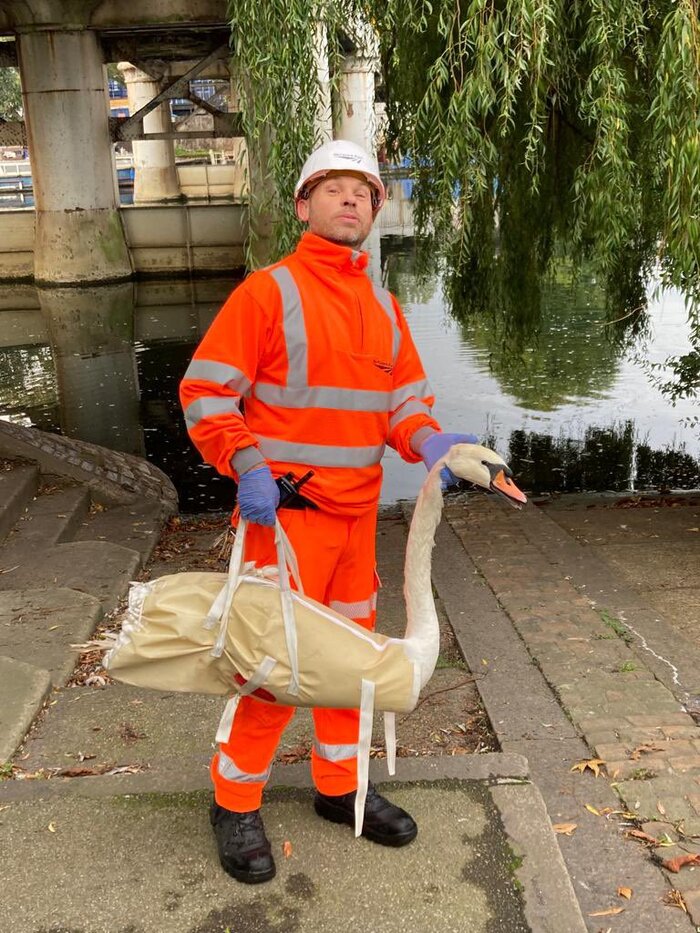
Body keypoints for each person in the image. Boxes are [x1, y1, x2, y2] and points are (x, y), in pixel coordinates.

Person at [180, 138, 476, 884]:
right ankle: (233, 799)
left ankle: (340, 787)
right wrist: (246, 464)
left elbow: (403, 403)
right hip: (282, 522)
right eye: (334, 188)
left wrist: (432, 441)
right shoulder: (267, 293)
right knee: (272, 668)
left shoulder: (382, 307)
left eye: (364, 192)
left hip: (354, 526)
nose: (351, 200)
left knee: (350, 668)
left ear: (375, 212)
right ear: (304, 206)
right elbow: (207, 393)